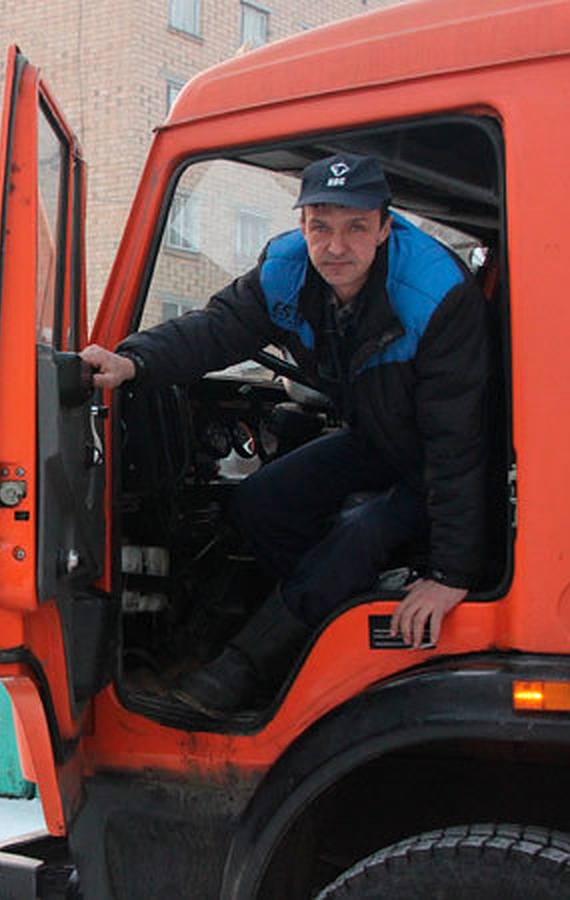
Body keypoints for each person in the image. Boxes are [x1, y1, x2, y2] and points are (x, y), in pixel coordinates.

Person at [81, 153, 489, 719]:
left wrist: (450, 575)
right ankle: (315, 619)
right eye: (320, 226)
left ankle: (240, 672)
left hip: (433, 460)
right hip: (376, 437)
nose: (335, 246)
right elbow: (218, 328)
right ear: (302, 226)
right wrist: (132, 363)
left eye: (355, 228)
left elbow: (459, 439)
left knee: (356, 537)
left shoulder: (435, 293)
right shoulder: (287, 270)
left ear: (386, 227)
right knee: (259, 502)